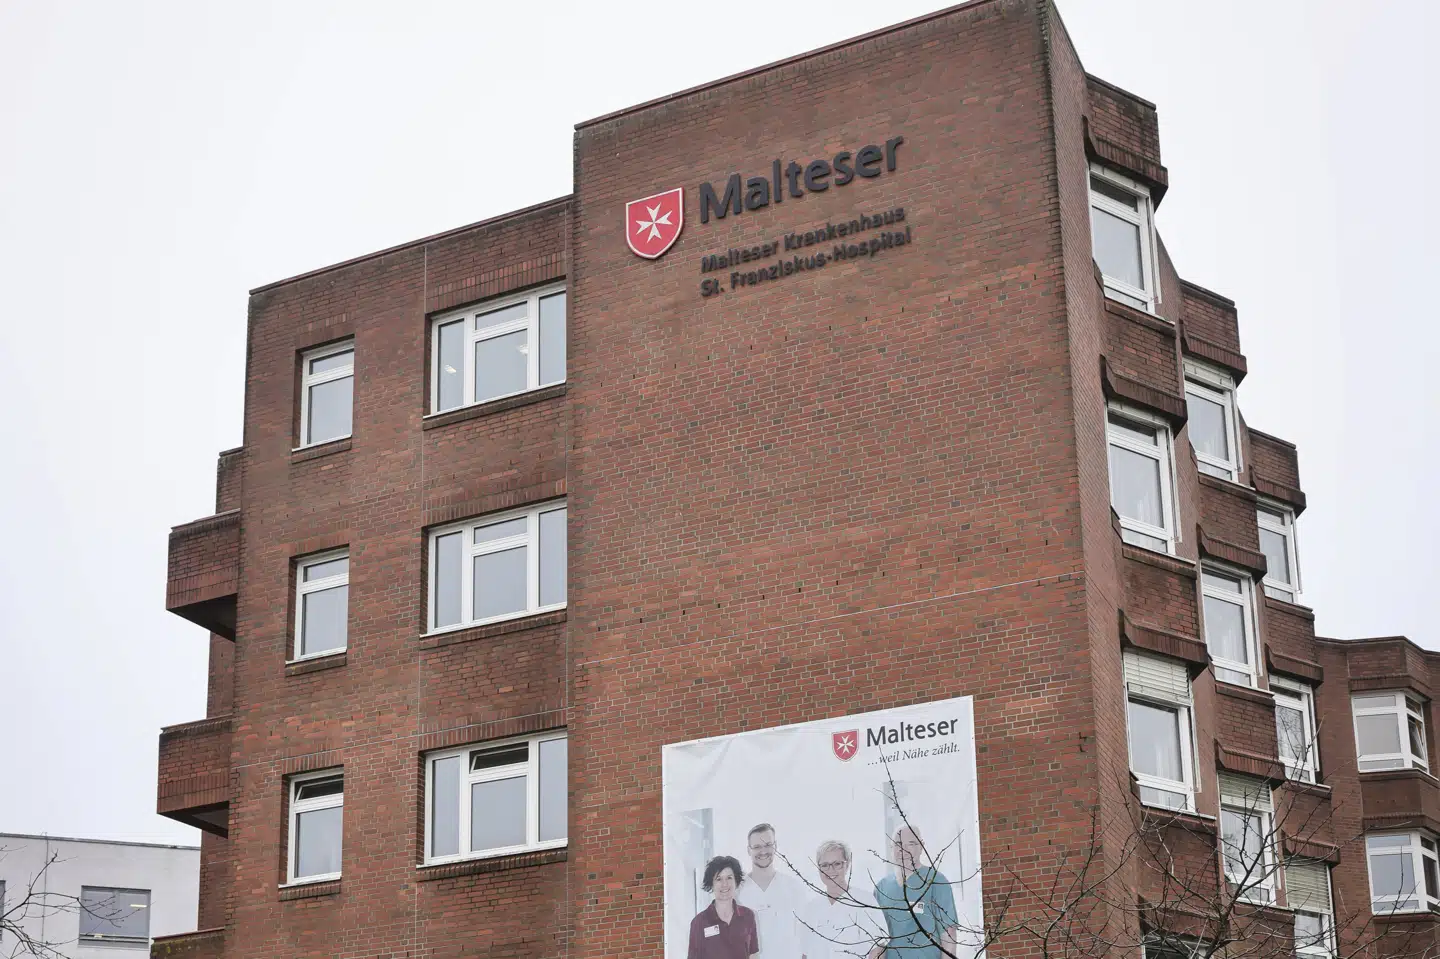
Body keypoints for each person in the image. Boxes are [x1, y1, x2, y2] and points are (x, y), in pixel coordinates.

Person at [873, 827, 957, 959]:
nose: (903, 849)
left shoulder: (936, 881)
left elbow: (948, 935)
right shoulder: (881, 887)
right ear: (891, 848)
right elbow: (877, 941)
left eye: (911, 844)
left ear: (921, 846)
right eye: (898, 844)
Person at [798, 839, 886, 959]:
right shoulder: (812, 908)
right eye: (825, 865)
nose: (831, 870)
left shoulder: (865, 901)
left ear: (847, 865)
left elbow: (878, 948)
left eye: (837, 864)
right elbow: (805, 953)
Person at [736, 823, 808, 959]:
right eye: (757, 847)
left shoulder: (793, 888)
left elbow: (806, 939)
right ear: (748, 850)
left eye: (768, 845)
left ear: (775, 846)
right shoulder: (738, 892)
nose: (763, 851)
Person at [689, 855, 760, 959]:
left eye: (729, 878)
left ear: (736, 881)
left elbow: (753, 954)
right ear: (711, 884)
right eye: (719, 879)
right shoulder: (699, 922)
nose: (724, 884)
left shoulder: (748, 916)